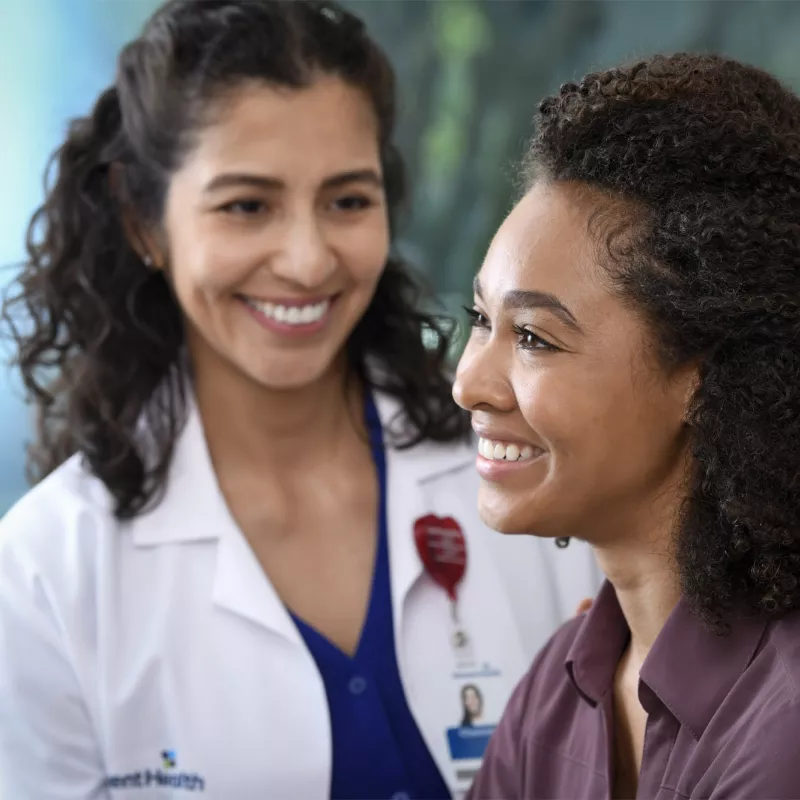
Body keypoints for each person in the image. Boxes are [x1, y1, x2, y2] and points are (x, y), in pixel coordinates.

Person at [0, 2, 601, 799]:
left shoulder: (528, 474)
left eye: (347, 201)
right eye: (247, 206)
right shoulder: (44, 575)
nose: (308, 260)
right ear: (142, 220)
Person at [454, 52, 800, 799]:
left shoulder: (784, 736)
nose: (468, 383)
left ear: (703, 378)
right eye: (480, 320)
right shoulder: (561, 685)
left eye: (535, 339)